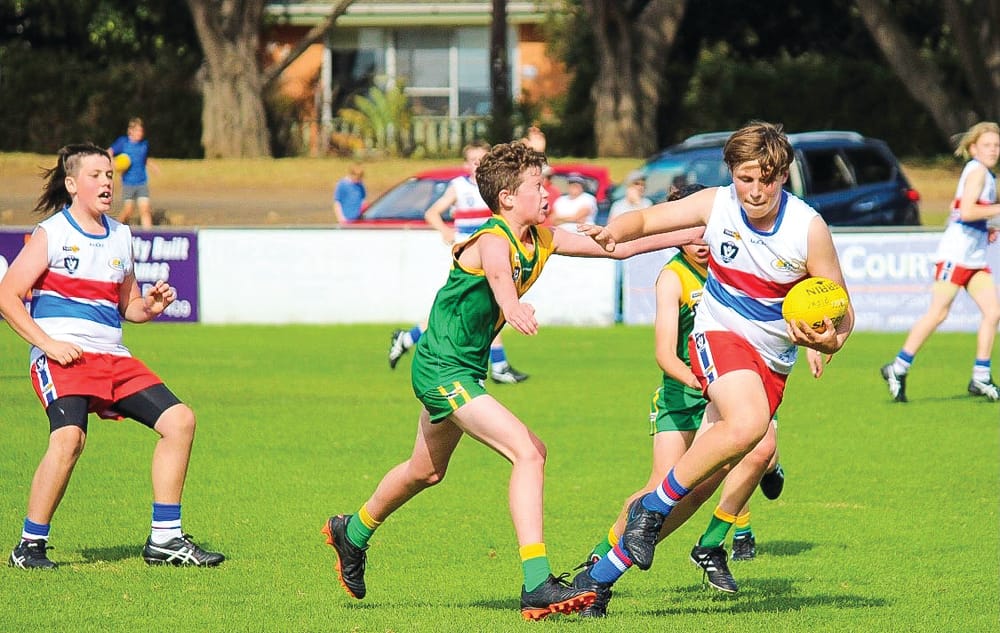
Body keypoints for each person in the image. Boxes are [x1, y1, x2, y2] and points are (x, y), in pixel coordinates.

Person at [321, 141, 705, 620]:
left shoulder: (541, 239)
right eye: (538, 186)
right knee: (530, 451)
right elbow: (500, 276)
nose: (548, 193)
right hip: (442, 369)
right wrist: (511, 306)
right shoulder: (493, 238)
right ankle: (536, 582)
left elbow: (619, 249)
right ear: (507, 197)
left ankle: (351, 532)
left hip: (461, 371)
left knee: (426, 471)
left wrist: (692, 228)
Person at [573, 121, 853, 609]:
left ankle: (598, 579)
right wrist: (611, 229)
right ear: (731, 174)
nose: (757, 190)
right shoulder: (717, 204)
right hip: (718, 333)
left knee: (699, 486)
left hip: (771, 359)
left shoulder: (808, 229)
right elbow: (642, 222)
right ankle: (652, 509)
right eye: (747, 178)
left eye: (768, 178)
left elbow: (842, 312)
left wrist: (829, 339)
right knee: (751, 428)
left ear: (784, 175)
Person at [572, 184, 798, 616]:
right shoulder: (672, 276)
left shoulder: (734, 261)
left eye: (703, 232)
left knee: (758, 447)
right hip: (682, 391)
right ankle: (599, 561)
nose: (698, 241)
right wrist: (570, 239)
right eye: (689, 233)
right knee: (664, 488)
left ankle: (712, 543)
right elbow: (661, 350)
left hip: (723, 382)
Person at [0, 143, 224, 569]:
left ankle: (165, 539)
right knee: (69, 439)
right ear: (71, 184)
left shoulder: (121, 235)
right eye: (96, 175)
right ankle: (29, 546)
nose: (107, 182)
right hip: (62, 356)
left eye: (109, 174)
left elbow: (129, 306)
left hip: (113, 357)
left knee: (180, 420)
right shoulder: (53, 233)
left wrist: (150, 307)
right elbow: (6, 296)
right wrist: (48, 345)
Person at [389, 141, 528, 384]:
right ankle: (497, 366)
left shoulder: (496, 188)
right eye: (473, 160)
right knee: (477, 310)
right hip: (470, 261)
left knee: (481, 310)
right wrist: (445, 230)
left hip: (491, 257)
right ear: (465, 164)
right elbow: (432, 212)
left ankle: (409, 339)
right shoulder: (460, 187)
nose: (477, 164)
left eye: (481, 159)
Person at [881, 121, 1000, 402]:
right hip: (956, 256)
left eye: (996, 145)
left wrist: (989, 227)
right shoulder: (977, 171)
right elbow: (969, 211)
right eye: (987, 145)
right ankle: (897, 367)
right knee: (938, 313)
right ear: (973, 148)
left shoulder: (986, 175)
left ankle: (981, 376)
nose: (994, 150)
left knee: (993, 312)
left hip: (973, 258)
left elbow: (957, 209)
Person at [110, 117, 158, 229]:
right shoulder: (123, 143)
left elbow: (143, 159)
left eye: (141, 131)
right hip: (128, 183)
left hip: (142, 182)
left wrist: (152, 166)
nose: (140, 133)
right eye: (137, 131)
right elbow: (109, 152)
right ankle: (115, 229)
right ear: (130, 131)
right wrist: (115, 165)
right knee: (128, 210)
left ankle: (148, 235)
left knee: (145, 210)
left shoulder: (144, 145)